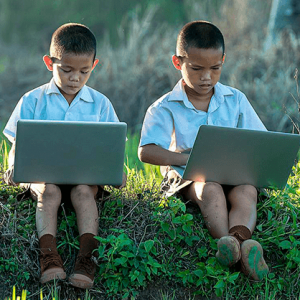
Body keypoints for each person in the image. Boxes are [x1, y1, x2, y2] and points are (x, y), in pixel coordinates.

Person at [138, 20, 269, 281]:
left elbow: (260, 139)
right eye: (196, 69)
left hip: (231, 170)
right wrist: (184, 159)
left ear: (223, 60)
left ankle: (237, 243)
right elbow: (146, 151)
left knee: (247, 191)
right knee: (208, 188)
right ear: (178, 63)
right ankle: (230, 243)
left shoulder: (235, 99)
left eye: (215, 68)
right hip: (189, 173)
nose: (206, 77)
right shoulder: (165, 106)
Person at [3, 23, 126, 289]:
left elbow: (111, 146)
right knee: (49, 191)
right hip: (43, 174)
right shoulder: (32, 100)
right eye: (67, 70)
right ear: (50, 62)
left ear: (95, 64)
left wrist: (117, 171)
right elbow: (18, 143)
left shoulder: (101, 104)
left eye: (84, 71)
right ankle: (49, 256)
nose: (75, 78)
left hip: (85, 176)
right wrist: (14, 166)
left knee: (83, 192)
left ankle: (87, 257)